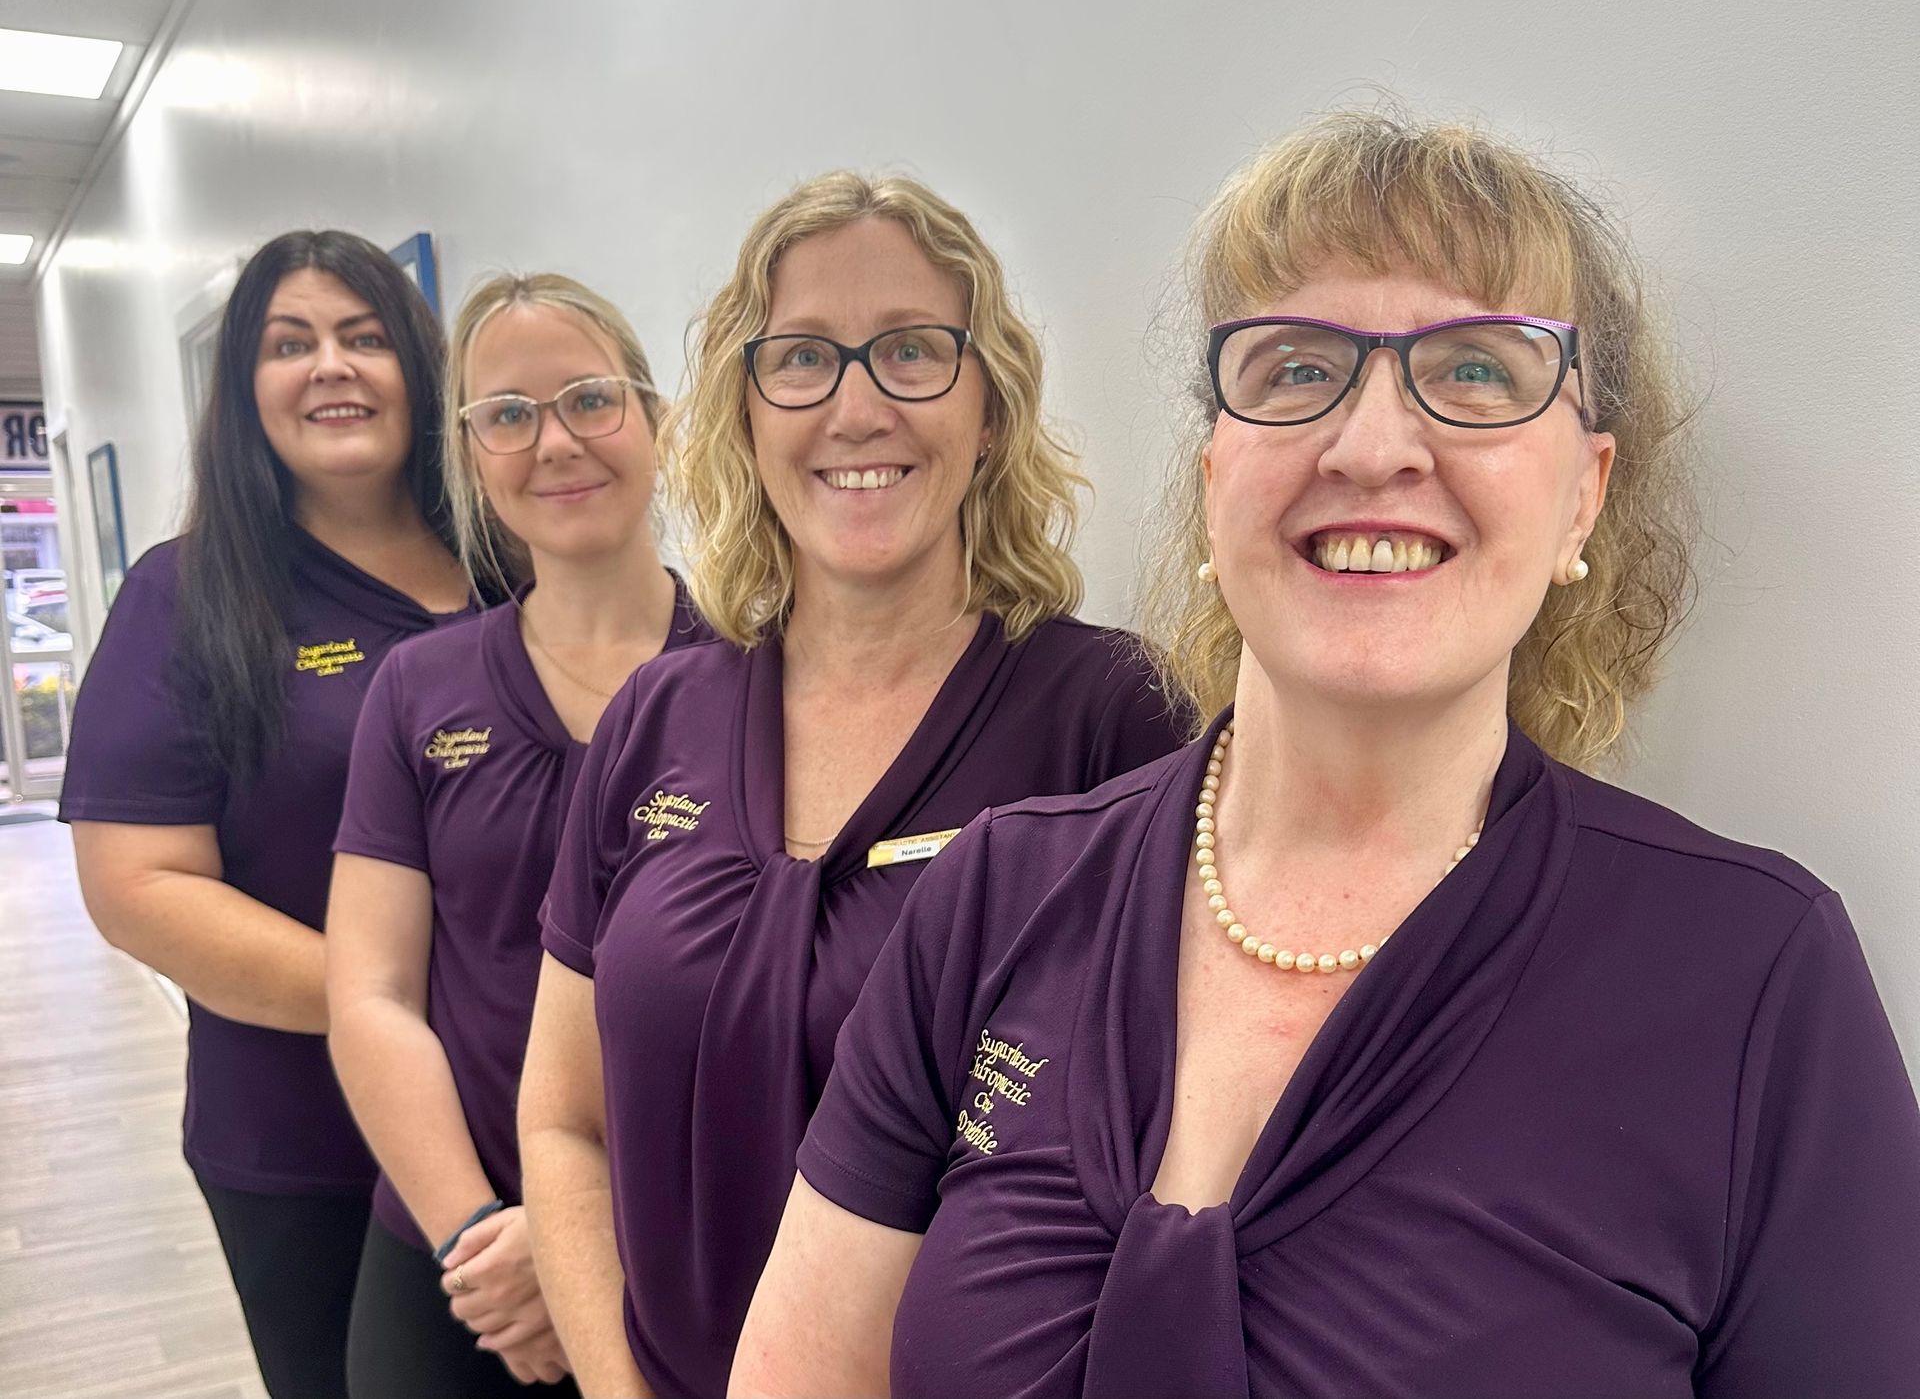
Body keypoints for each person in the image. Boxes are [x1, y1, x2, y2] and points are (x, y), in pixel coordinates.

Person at [736, 113, 1920, 1399]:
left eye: (1477, 371)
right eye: (1297, 368)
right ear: (1212, 479)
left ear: (1583, 492)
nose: (1371, 446)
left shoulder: (1755, 980)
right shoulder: (993, 897)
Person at [519, 172, 1186, 1399]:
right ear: (746, 415)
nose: (858, 405)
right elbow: (562, 1117)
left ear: (990, 408)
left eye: (913, 352)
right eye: (804, 360)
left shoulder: (1114, 722)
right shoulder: (655, 721)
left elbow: (1160, 1171)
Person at [62, 232, 473, 1399]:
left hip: (549, 1109)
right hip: (310, 1141)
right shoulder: (183, 598)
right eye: (290, 344)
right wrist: (409, 1009)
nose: (331, 367)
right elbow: (139, 887)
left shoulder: (515, 567)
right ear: (245, 391)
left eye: (365, 336)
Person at [328, 275, 710, 1398]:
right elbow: (372, 995)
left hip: (683, 1243)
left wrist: (579, 1243)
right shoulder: (417, 687)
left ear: (656, 419)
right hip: (460, 1256)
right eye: (507, 414)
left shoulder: (759, 674)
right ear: (470, 456)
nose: (555, 443)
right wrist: (479, 1235)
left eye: (590, 399)